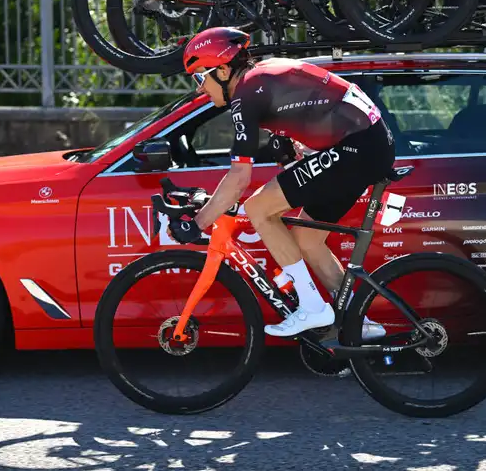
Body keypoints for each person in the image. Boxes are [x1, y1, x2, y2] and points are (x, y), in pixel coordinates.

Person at [168, 26, 395, 339]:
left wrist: (198, 223)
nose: (200, 90)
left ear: (221, 70)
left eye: (199, 78)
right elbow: (303, 113)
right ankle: (361, 325)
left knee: (258, 208)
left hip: (357, 147)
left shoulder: (246, 92)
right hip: (366, 144)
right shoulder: (258, 78)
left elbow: (239, 177)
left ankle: (313, 308)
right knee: (307, 238)